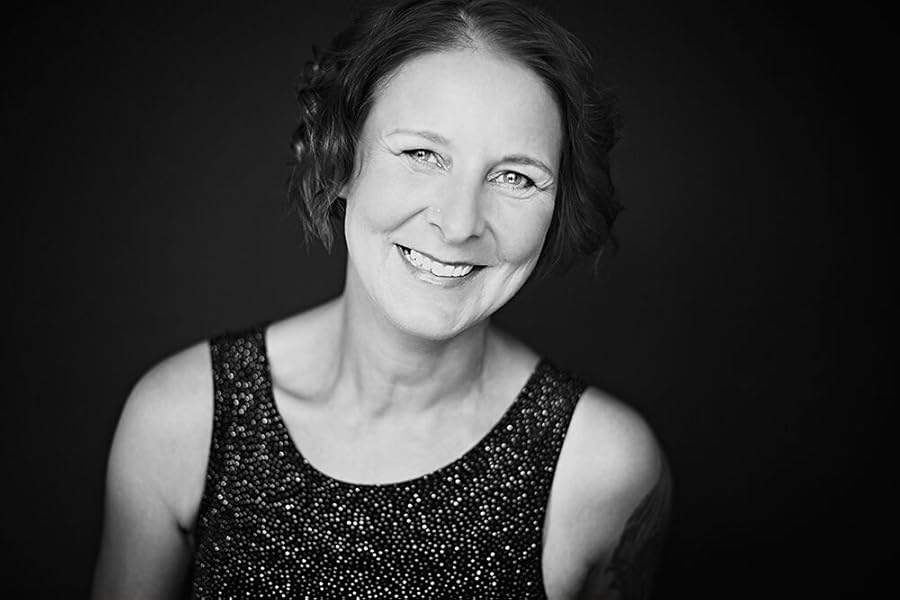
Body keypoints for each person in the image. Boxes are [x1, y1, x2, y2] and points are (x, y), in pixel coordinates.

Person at [92, 0, 672, 598]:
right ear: (339, 160)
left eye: (515, 177)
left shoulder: (602, 467)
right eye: (422, 154)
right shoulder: (182, 420)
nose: (459, 224)